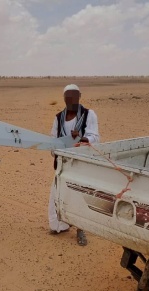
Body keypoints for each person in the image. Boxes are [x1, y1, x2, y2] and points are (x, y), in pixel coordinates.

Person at [48, 83, 100, 246]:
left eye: (74, 97)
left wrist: (81, 138)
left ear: (79, 97)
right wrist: (57, 150)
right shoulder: (58, 118)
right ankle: (59, 225)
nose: (71, 100)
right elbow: (53, 141)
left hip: (81, 163)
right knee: (57, 194)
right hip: (64, 163)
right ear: (64, 99)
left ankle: (80, 229)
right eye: (67, 98)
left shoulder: (89, 114)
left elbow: (95, 138)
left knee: (78, 196)